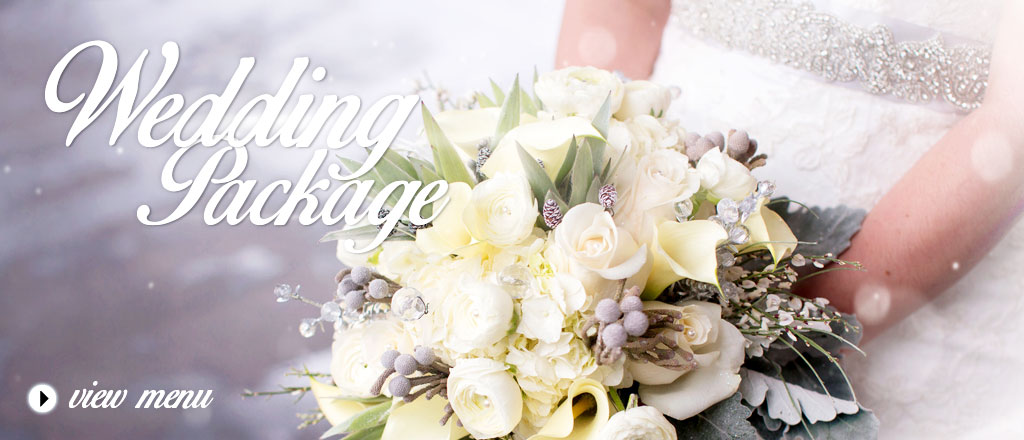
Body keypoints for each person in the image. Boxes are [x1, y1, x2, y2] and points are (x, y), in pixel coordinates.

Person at [557, 0, 1024, 437]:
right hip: (633, 215)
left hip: (922, 276)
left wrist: (755, 324)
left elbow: (1013, 122)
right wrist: (566, 217)